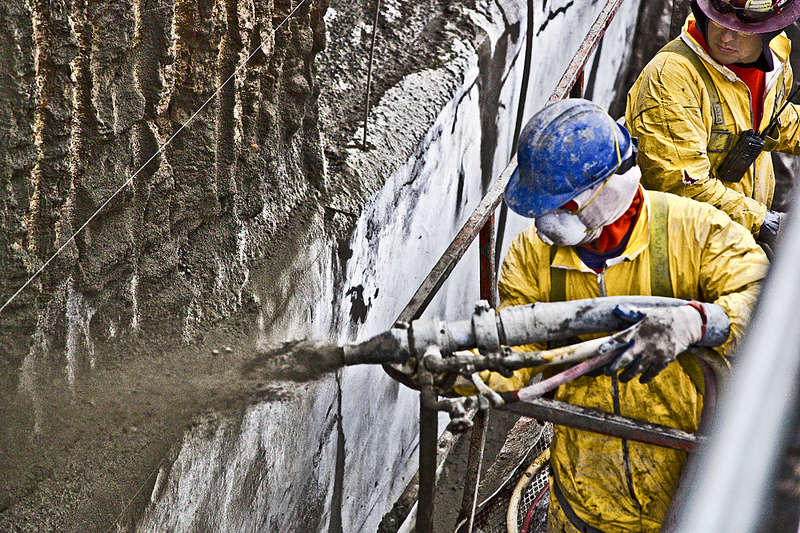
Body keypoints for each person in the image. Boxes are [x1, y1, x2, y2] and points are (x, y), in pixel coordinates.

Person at [479, 99, 768, 532]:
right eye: (541, 207)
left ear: (608, 189)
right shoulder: (531, 256)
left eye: (562, 206)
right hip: (584, 491)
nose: (547, 222)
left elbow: (765, 305)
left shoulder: (697, 231)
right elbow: (513, 358)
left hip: (685, 491)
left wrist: (698, 321)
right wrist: (461, 371)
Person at [625, 0, 800, 254]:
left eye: (741, 29)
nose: (726, 37)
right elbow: (682, 188)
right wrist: (767, 223)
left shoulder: (775, 58)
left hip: (740, 238)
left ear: (769, 30)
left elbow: (770, 119)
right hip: (684, 248)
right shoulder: (671, 78)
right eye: (719, 20)